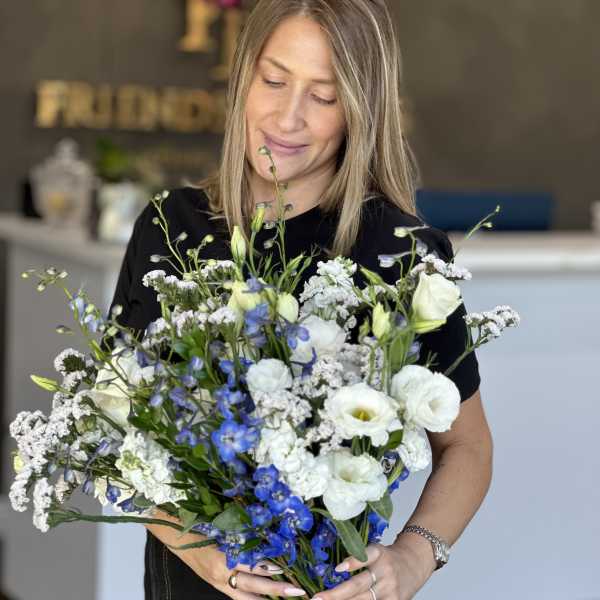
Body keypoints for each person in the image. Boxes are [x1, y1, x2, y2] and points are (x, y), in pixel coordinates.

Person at [108, 1, 493, 598]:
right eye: (274, 80)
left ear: (359, 110)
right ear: (243, 78)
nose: (288, 118)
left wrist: (416, 557)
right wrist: (199, 551)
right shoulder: (169, 227)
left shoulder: (398, 252)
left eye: (324, 95)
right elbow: (116, 432)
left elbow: (467, 445)